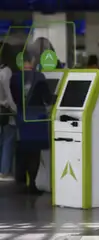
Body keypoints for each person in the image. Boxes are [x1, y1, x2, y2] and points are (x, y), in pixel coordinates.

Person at [11, 50, 51, 195]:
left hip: (22, 116)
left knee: (24, 150)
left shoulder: (14, 78)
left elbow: (14, 98)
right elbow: (47, 98)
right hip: (37, 118)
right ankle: (32, 184)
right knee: (35, 152)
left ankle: (22, 180)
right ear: (33, 60)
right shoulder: (39, 76)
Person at [0, 43, 17, 180]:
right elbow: (8, 93)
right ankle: (5, 171)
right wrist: (15, 108)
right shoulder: (6, 71)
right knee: (8, 139)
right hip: (4, 109)